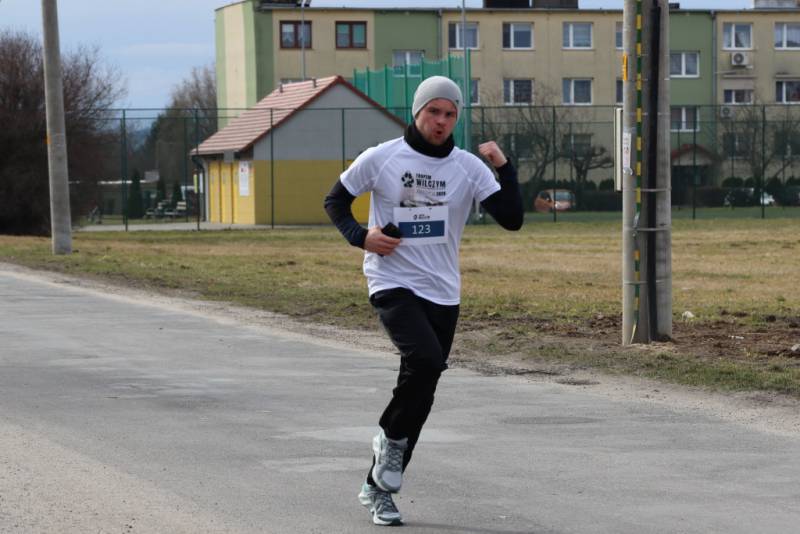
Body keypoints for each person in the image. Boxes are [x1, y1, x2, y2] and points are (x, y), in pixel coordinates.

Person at [324, 76, 523, 526]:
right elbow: (335, 201)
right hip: (391, 280)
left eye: (450, 114)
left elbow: (512, 218)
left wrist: (504, 168)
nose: (441, 121)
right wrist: (362, 237)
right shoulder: (383, 157)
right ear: (417, 112)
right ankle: (390, 441)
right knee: (426, 361)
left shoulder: (467, 167)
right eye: (433, 111)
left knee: (422, 388)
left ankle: (378, 487)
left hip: (443, 290)